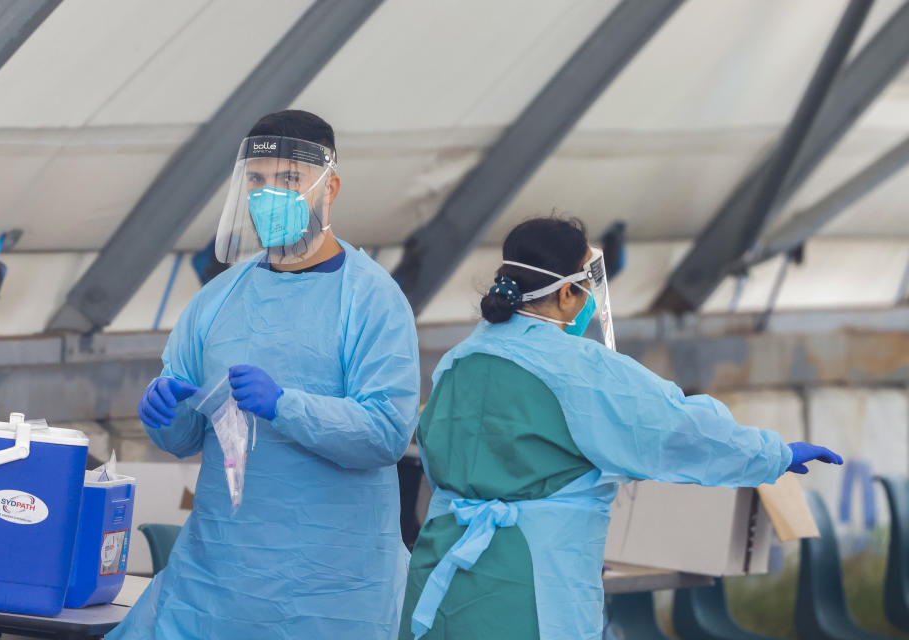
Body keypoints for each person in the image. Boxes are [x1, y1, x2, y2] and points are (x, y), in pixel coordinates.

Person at [398, 216, 843, 640]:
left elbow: (436, 463)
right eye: (586, 286)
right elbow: (678, 431)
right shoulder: (578, 369)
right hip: (529, 584)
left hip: (439, 571)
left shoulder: (457, 362)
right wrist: (771, 453)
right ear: (569, 294)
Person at [110, 110, 421, 640]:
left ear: (331, 188)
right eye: (256, 179)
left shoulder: (370, 299)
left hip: (332, 596)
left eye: (289, 179)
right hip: (214, 588)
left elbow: (388, 432)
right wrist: (164, 413)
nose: (268, 193)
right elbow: (184, 436)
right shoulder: (218, 298)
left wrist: (285, 405)